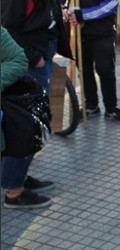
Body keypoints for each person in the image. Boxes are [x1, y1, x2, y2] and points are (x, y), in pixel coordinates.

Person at [1, 25, 55, 209]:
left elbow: (17, 58)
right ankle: (14, 187)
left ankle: (17, 180)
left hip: (43, 55)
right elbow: (12, 23)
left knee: (31, 124)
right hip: (36, 60)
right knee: (23, 128)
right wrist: (35, 56)